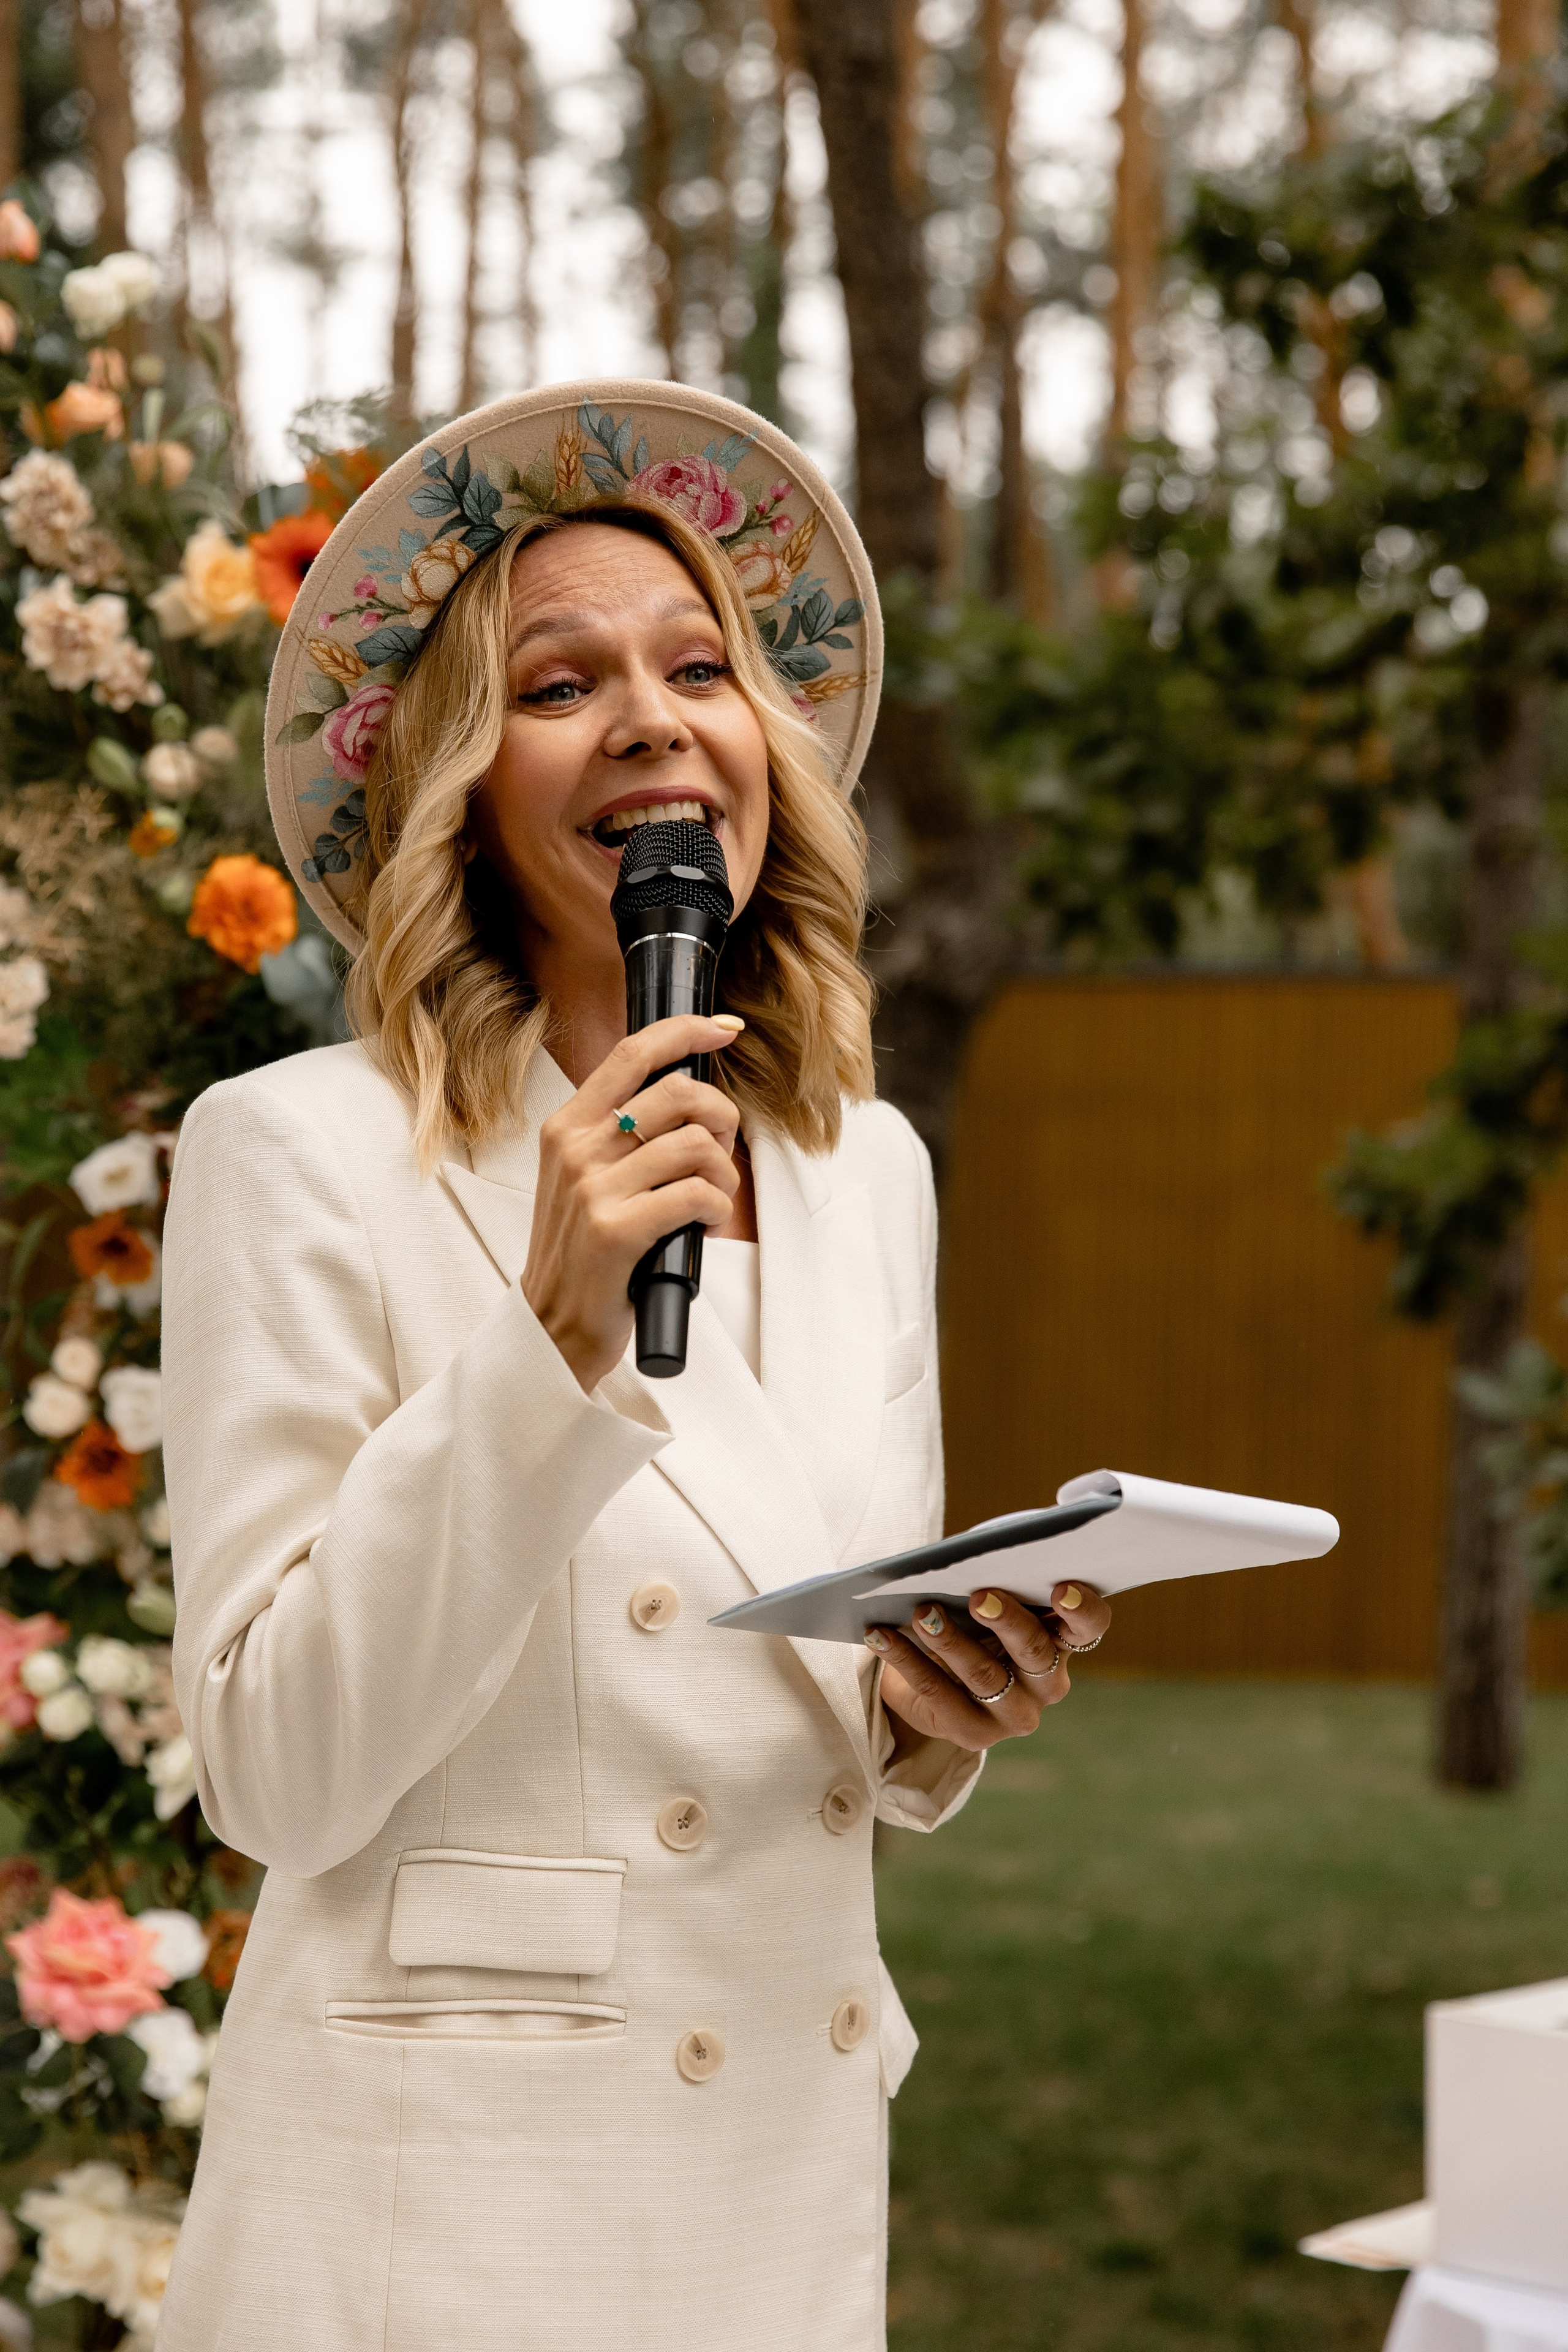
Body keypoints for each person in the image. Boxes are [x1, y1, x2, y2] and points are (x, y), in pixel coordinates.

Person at [157, 383, 1112, 2351]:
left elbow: (799, 1680)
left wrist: (937, 1715)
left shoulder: (868, 1172)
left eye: (702, 667)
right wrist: (547, 1341)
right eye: (560, 683)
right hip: (452, 2218)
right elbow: (273, 1771)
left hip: (777, 2167)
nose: (655, 718)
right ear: (463, 789)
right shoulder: (301, 1155)